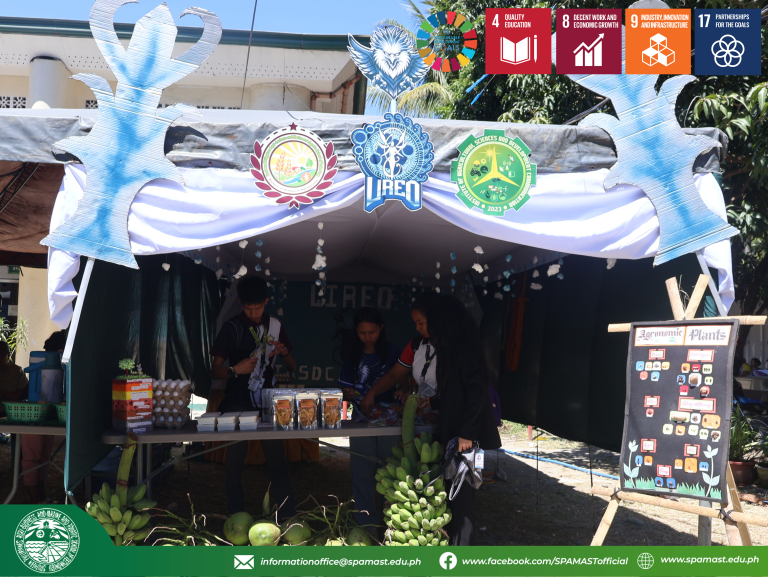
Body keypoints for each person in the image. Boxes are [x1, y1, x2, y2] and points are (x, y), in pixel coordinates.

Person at [377, 292, 501, 546]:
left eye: (421, 322)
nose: (418, 328)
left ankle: (461, 551)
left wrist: (467, 433)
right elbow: (455, 391)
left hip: (464, 436)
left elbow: (476, 390)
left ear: (439, 321)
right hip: (454, 431)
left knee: (462, 497)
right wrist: (433, 403)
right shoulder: (449, 347)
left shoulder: (463, 347)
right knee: (452, 494)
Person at [210, 276, 297, 520]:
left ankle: (288, 517)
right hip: (237, 402)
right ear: (241, 303)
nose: (254, 312)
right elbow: (214, 370)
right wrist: (234, 370)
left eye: (258, 307)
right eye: (249, 308)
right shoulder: (232, 327)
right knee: (235, 462)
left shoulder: (275, 326)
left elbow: (291, 366)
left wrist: (284, 352)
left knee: (277, 461)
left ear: (266, 302)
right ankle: (236, 517)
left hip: (268, 402)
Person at [338, 307, 401, 535]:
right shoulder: (351, 354)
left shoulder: (393, 353)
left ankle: (393, 524)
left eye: (372, 332)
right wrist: (348, 403)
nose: (367, 337)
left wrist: (402, 392)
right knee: (362, 474)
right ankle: (366, 527)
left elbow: (403, 382)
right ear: (356, 331)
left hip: (389, 423)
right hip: (360, 422)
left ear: (381, 328)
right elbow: (345, 391)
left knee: (390, 474)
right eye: (362, 332)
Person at [20, 330, 67, 504]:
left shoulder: (52, 366)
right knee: (33, 457)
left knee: (42, 457)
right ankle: (34, 499)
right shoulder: (50, 366)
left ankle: (41, 497)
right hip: (35, 414)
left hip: (47, 414)